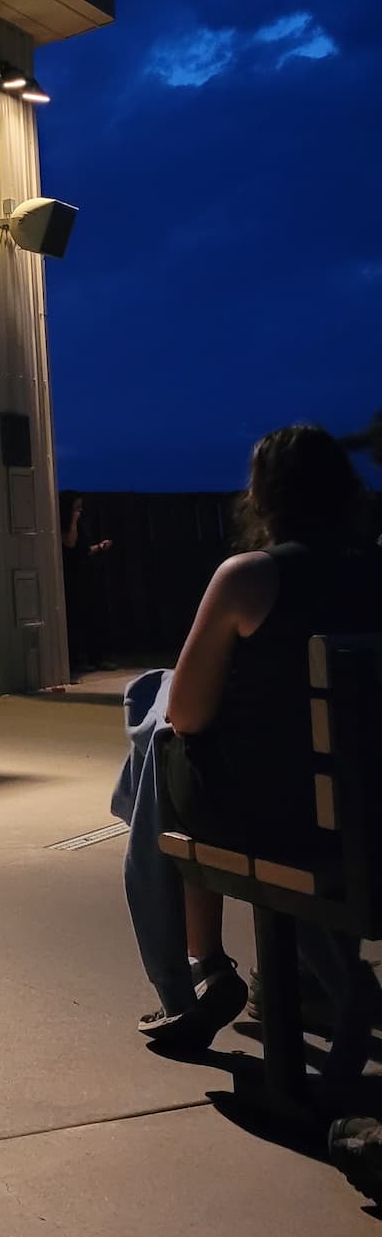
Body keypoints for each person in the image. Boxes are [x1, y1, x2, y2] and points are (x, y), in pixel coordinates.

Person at [113, 424, 382, 1053]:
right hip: (369, 813)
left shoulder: (248, 579)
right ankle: (299, 974)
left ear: (262, 498)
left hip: (283, 822)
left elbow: (190, 716)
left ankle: (206, 970)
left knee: (159, 725)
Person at [59, 492, 112, 678]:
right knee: (77, 617)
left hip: (87, 574)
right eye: (76, 507)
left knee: (94, 614)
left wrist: (99, 547)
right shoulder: (66, 525)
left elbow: (83, 550)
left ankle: (96, 657)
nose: (80, 511)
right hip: (72, 577)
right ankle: (79, 660)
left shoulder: (82, 524)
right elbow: (70, 544)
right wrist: (73, 519)